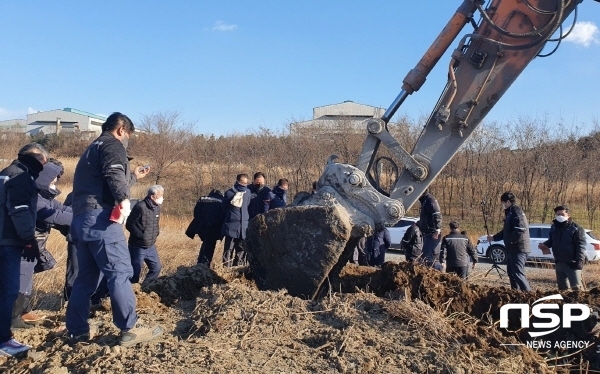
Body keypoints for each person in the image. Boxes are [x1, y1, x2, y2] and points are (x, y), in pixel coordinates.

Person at [65, 112, 163, 347]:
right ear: (121, 130)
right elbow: (113, 173)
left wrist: (134, 177)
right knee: (120, 272)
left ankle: (77, 330)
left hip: (81, 220)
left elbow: (109, 176)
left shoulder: (91, 149)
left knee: (85, 279)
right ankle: (129, 328)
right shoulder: (112, 144)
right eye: (128, 135)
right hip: (101, 219)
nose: (127, 139)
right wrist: (124, 201)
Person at [0, 143, 49, 356]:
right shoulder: (21, 177)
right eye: (43, 164)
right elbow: (19, 210)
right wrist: (29, 239)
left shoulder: (5, 173)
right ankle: (3, 340)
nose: (43, 169)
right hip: (8, 241)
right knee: (8, 291)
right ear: (36, 159)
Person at [13, 158, 72, 329]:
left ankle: (23, 311)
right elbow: (53, 215)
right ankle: (14, 318)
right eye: (53, 178)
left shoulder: (44, 196)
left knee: (26, 277)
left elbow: (61, 209)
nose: (55, 182)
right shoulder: (35, 198)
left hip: (33, 246)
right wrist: (83, 220)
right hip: (25, 245)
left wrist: (84, 214)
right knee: (22, 278)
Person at [488, 191, 531, 291]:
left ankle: (528, 295)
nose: (502, 205)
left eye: (503, 203)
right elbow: (506, 231)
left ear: (508, 202)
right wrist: (494, 238)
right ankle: (515, 293)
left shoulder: (516, 211)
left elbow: (520, 229)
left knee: (517, 272)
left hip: (519, 248)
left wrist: (511, 241)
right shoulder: (510, 213)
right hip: (512, 249)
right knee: (511, 273)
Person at [538, 205, 586, 291]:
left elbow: (581, 245)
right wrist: (545, 245)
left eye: (562, 214)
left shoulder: (576, 228)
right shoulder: (554, 227)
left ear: (568, 215)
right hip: (559, 263)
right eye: (558, 214)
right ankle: (565, 303)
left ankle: (580, 303)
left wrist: (579, 260)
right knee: (563, 289)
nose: (560, 216)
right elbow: (552, 241)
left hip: (572, 263)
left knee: (577, 289)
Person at [126, 185, 164, 286]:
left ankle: (144, 289)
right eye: (160, 195)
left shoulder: (157, 208)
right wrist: (141, 236)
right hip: (137, 247)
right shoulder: (140, 207)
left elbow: (155, 223)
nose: (162, 198)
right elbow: (129, 224)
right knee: (134, 273)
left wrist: (156, 233)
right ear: (152, 196)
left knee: (156, 268)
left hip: (151, 246)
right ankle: (130, 293)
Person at [185, 189, 226, 265]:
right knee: (210, 246)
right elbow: (223, 216)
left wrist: (201, 223)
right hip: (214, 227)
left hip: (203, 227)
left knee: (205, 244)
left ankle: (200, 262)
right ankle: (204, 264)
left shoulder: (203, 199)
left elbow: (196, 212)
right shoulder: (222, 201)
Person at [222, 174, 251, 267]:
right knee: (228, 248)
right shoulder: (229, 193)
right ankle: (226, 268)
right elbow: (223, 207)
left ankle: (238, 268)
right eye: (242, 182)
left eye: (245, 183)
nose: (243, 185)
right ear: (237, 181)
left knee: (241, 249)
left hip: (243, 226)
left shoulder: (248, 192)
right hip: (231, 225)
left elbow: (248, 205)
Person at [418, 189, 442, 268]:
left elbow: (437, 213)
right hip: (427, 232)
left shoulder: (430, 200)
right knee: (426, 255)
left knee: (427, 255)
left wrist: (437, 229)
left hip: (432, 233)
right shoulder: (424, 200)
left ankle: (433, 272)